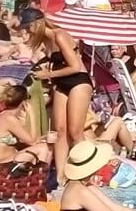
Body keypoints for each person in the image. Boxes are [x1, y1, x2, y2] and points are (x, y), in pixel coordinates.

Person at [27, 17, 92, 157]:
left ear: (37, 23)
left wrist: (47, 74)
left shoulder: (60, 35)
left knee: (75, 133)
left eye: (28, 27)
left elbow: (75, 67)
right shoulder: (46, 40)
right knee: (60, 132)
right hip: (61, 83)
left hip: (78, 81)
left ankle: (87, 165)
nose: (27, 31)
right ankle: (60, 171)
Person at [0, 84, 52, 176]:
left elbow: (30, 139)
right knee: (43, 148)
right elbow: (32, 141)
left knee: (46, 147)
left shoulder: (7, 116)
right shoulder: (9, 118)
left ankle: (40, 177)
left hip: (2, 163)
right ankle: (38, 178)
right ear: (24, 102)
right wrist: (32, 115)